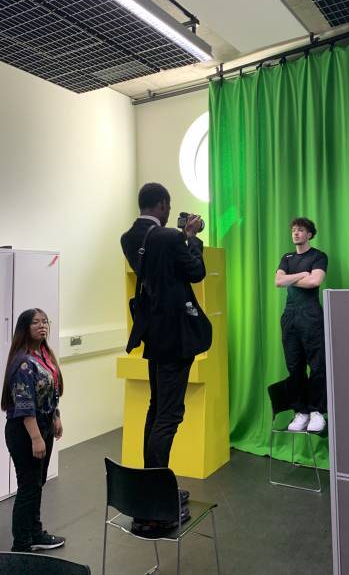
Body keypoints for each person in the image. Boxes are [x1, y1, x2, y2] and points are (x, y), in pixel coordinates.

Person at [120, 182, 205, 536]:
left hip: (153, 336)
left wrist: (180, 236)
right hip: (176, 338)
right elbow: (195, 272)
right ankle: (156, 504)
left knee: (156, 411)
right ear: (163, 205)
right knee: (168, 415)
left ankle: (153, 491)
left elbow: (157, 272)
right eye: (168, 207)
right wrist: (192, 238)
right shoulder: (169, 237)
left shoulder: (128, 238)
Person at [1, 308, 65, 553]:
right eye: (36, 322)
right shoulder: (23, 362)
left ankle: (35, 533)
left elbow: (51, 390)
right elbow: (25, 404)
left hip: (44, 425)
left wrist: (56, 417)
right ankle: (22, 544)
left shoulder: (43, 355)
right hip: (26, 431)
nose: (42, 326)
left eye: (45, 322)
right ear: (25, 328)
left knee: (37, 484)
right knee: (28, 487)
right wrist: (37, 438)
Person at [275, 217, 328, 432]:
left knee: (317, 365)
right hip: (290, 316)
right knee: (294, 365)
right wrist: (300, 275)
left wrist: (290, 278)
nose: (296, 233)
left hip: (311, 315)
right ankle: (301, 412)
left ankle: (316, 411)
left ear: (310, 234)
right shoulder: (286, 258)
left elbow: (315, 282)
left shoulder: (318, 256)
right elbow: (278, 281)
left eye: (301, 230)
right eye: (294, 230)